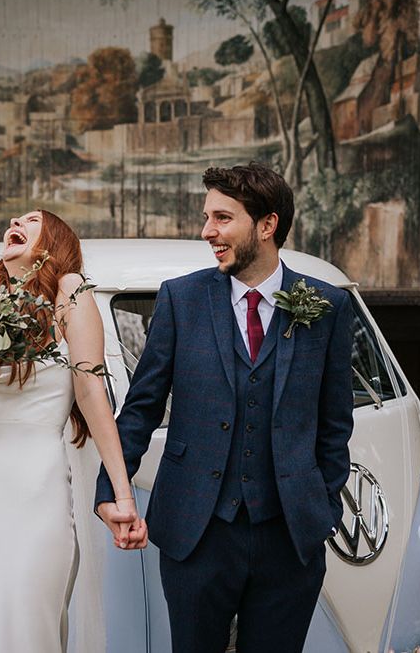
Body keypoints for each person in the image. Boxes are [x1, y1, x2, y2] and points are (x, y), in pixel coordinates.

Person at [96, 162, 354, 653]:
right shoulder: (181, 300)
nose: (207, 231)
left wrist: (321, 506)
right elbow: (141, 408)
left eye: (221, 217)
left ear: (266, 224)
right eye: (207, 217)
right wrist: (113, 489)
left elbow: (334, 423)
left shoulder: (325, 306)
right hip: (197, 532)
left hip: (290, 539)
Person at [0, 209, 143, 653]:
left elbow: (90, 392)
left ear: (54, 241)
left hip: (34, 487)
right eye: (12, 219)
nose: (14, 222)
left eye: (31, 220)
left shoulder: (71, 289)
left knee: (30, 621)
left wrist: (123, 495)